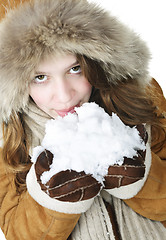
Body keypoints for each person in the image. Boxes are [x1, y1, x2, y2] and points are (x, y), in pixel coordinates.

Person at [0, 0, 166, 239]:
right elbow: (16, 231)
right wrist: (53, 202)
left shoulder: (138, 100)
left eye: (75, 69)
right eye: (40, 76)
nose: (65, 95)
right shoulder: (9, 138)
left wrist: (142, 179)